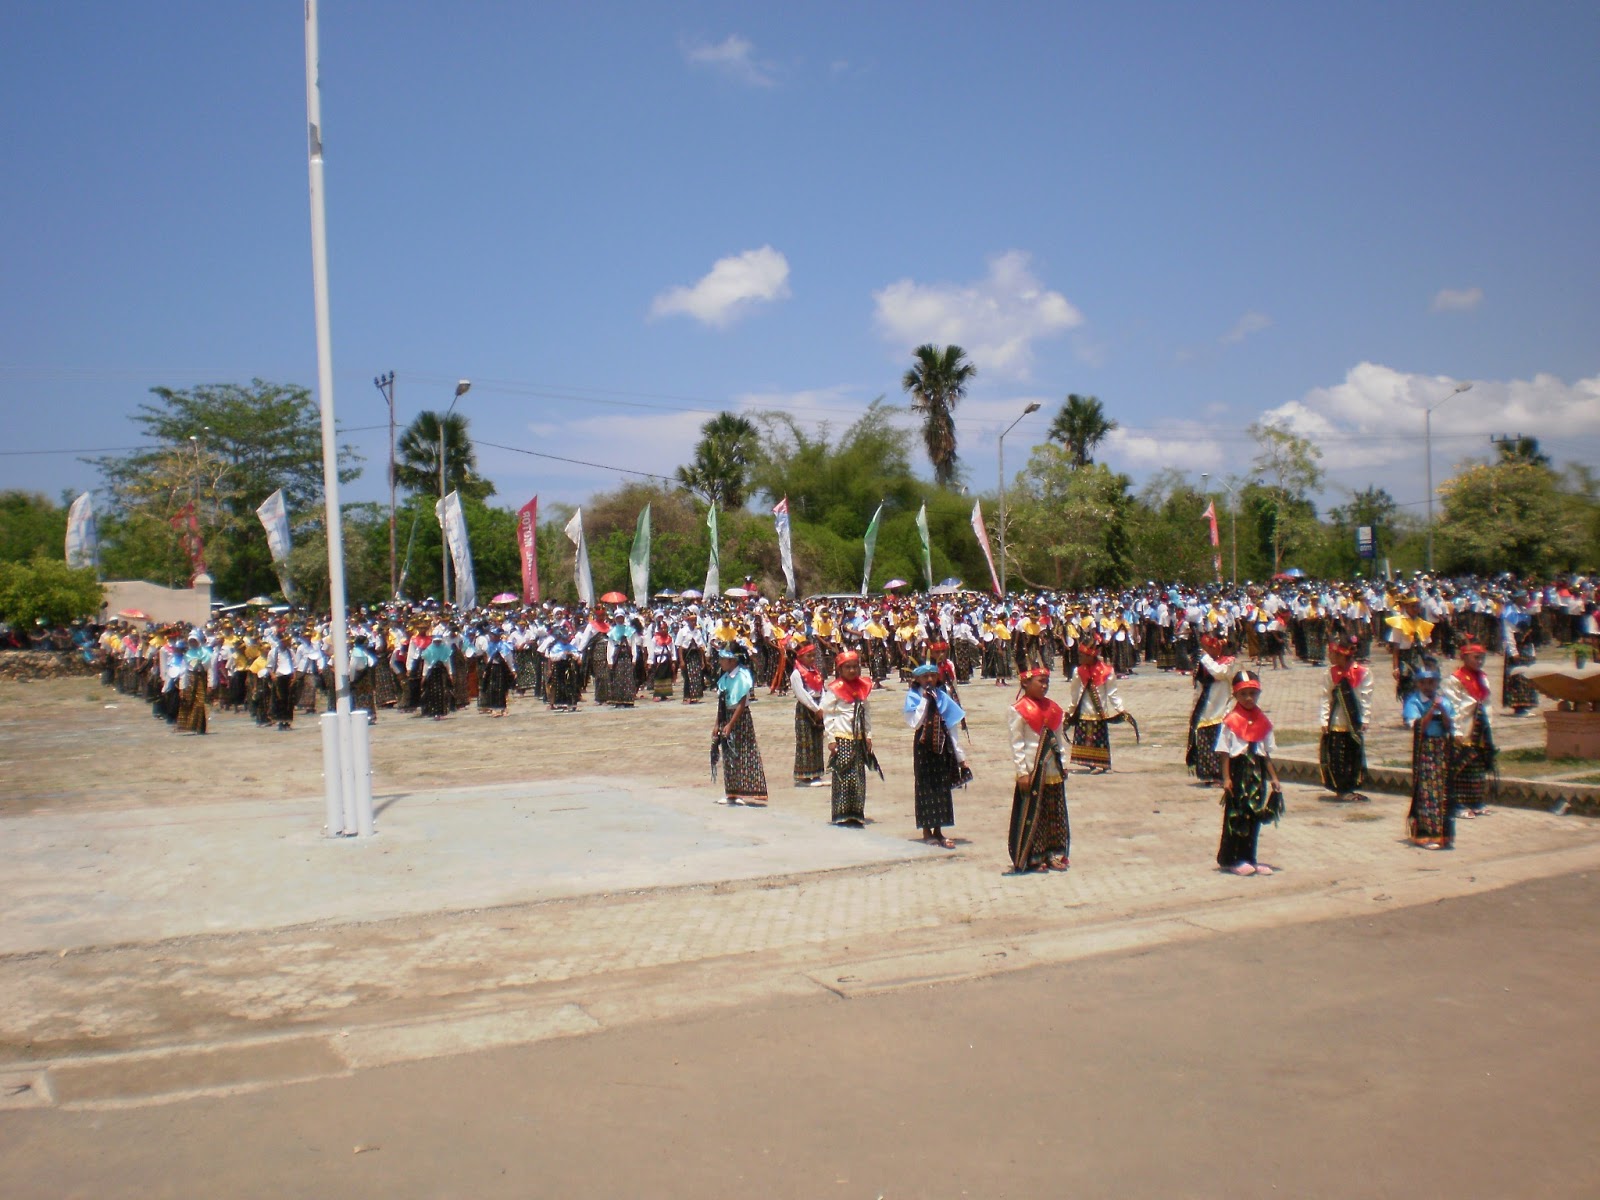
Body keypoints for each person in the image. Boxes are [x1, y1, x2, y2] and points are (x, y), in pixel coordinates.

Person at [1216, 671, 1283, 876]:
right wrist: (1226, 778)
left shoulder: (1263, 721)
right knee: (1236, 817)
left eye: (1253, 694)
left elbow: (1266, 755)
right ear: (1236, 695)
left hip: (1257, 774)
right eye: (1244, 694)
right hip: (1238, 772)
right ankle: (1231, 859)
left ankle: (1250, 857)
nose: (1249, 698)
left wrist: (1274, 778)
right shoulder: (1230, 721)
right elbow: (1225, 752)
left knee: (1254, 816)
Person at [1006, 666, 1070, 872]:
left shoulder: (1054, 709)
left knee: (1053, 813)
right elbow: (1017, 744)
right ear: (1025, 683)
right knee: (1034, 813)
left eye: (1046, 682)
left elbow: (1059, 741)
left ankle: (1052, 853)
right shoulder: (1018, 710)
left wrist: (1064, 763)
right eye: (1040, 682)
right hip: (1033, 771)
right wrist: (1022, 772)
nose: (1044, 686)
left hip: (1052, 770)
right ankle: (1034, 855)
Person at [904, 661, 970, 848]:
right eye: (925, 676)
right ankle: (926, 830)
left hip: (942, 745)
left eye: (933, 675)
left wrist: (960, 757)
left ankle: (939, 830)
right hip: (923, 747)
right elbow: (915, 723)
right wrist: (925, 700)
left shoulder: (943, 696)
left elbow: (951, 726)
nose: (930, 679)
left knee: (942, 787)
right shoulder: (913, 697)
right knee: (925, 786)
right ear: (917, 679)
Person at [1402, 660, 1457, 850]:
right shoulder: (1414, 702)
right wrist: (1432, 709)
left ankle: (1444, 835)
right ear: (1418, 684)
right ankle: (1427, 834)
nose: (1428, 687)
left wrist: (1442, 710)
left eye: (1432, 682)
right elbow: (1417, 726)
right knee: (1428, 792)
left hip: (1442, 749)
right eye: (1424, 683)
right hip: (1425, 749)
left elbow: (1450, 726)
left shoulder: (1445, 701)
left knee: (1442, 792)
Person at [821, 649, 874, 826]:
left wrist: (868, 735)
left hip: (858, 737)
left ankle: (856, 812)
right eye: (848, 667)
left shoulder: (862, 687)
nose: (852, 671)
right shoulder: (835, 689)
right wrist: (831, 739)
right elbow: (828, 715)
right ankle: (841, 813)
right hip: (842, 737)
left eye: (855, 667)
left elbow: (866, 713)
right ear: (840, 669)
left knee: (858, 776)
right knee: (843, 775)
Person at [1317, 635, 1372, 800]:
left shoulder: (1363, 673)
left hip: (1353, 721)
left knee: (1352, 754)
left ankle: (1350, 785)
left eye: (1333, 654)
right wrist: (1324, 719)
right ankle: (1340, 787)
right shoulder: (1330, 674)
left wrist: (1365, 719)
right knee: (1337, 756)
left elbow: (1366, 698)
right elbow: (1325, 697)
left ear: (1343, 655)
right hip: (1336, 722)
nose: (1330, 657)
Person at [1446, 642, 1496, 820]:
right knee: (1460, 768)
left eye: (1482, 657)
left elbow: (1487, 701)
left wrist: (1488, 723)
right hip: (1464, 728)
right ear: (1464, 657)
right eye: (1476, 657)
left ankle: (1476, 801)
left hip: (1479, 727)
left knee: (1477, 766)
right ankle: (1457, 804)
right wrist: (1456, 730)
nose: (1480, 661)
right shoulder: (1455, 679)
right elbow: (1453, 706)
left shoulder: (1482, 677)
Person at [713, 647, 768, 806]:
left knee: (742, 753)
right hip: (726, 716)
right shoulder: (725, 677)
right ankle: (731, 792)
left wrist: (730, 724)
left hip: (739, 718)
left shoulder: (742, 676)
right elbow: (722, 703)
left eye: (723, 659)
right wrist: (718, 723)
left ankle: (741, 791)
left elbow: (742, 703)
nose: (720, 662)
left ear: (732, 660)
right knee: (729, 755)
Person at [1064, 637, 1125, 774]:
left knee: (1098, 738)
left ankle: (1100, 764)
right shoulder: (1078, 671)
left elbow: (1112, 693)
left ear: (1090, 656)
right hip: (1084, 710)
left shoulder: (1107, 672)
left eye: (1081, 655)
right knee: (1085, 737)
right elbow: (1075, 694)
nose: (1079, 657)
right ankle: (1090, 763)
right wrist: (1070, 710)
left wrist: (1120, 709)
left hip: (1099, 712)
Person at [1186, 632, 1239, 783]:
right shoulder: (1202, 663)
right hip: (1205, 707)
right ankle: (1206, 774)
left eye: (1209, 647)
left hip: (1221, 706)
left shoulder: (1228, 662)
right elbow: (1198, 686)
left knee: (1219, 740)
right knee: (1204, 738)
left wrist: (1204, 658)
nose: (1206, 650)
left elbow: (1218, 673)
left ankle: (1221, 774)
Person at [789, 641, 828, 788]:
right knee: (806, 742)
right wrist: (815, 708)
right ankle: (804, 776)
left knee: (817, 740)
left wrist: (822, 706)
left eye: (813, 655)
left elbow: (822, 690)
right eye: (809, 656)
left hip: (818, 707)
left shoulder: (815, 671)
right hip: (806, 708)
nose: (812, 659)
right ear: (800, 657)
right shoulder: (796, 674)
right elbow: (801, 694)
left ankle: (816, 773)